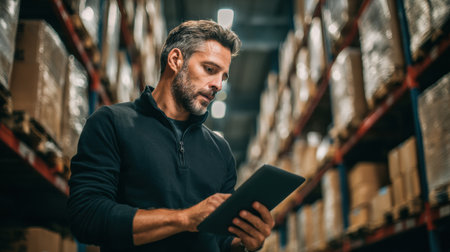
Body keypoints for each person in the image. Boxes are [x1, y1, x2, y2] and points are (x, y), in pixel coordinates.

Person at [67, 20, 275, 252]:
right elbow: (86, 216)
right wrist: (184, 219)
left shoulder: (220, 150)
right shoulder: (111, 123)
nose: (217, 84)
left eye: (223, 77)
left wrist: (245, 242)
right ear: (176, 60)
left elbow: (220, 240)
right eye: (210, 69)